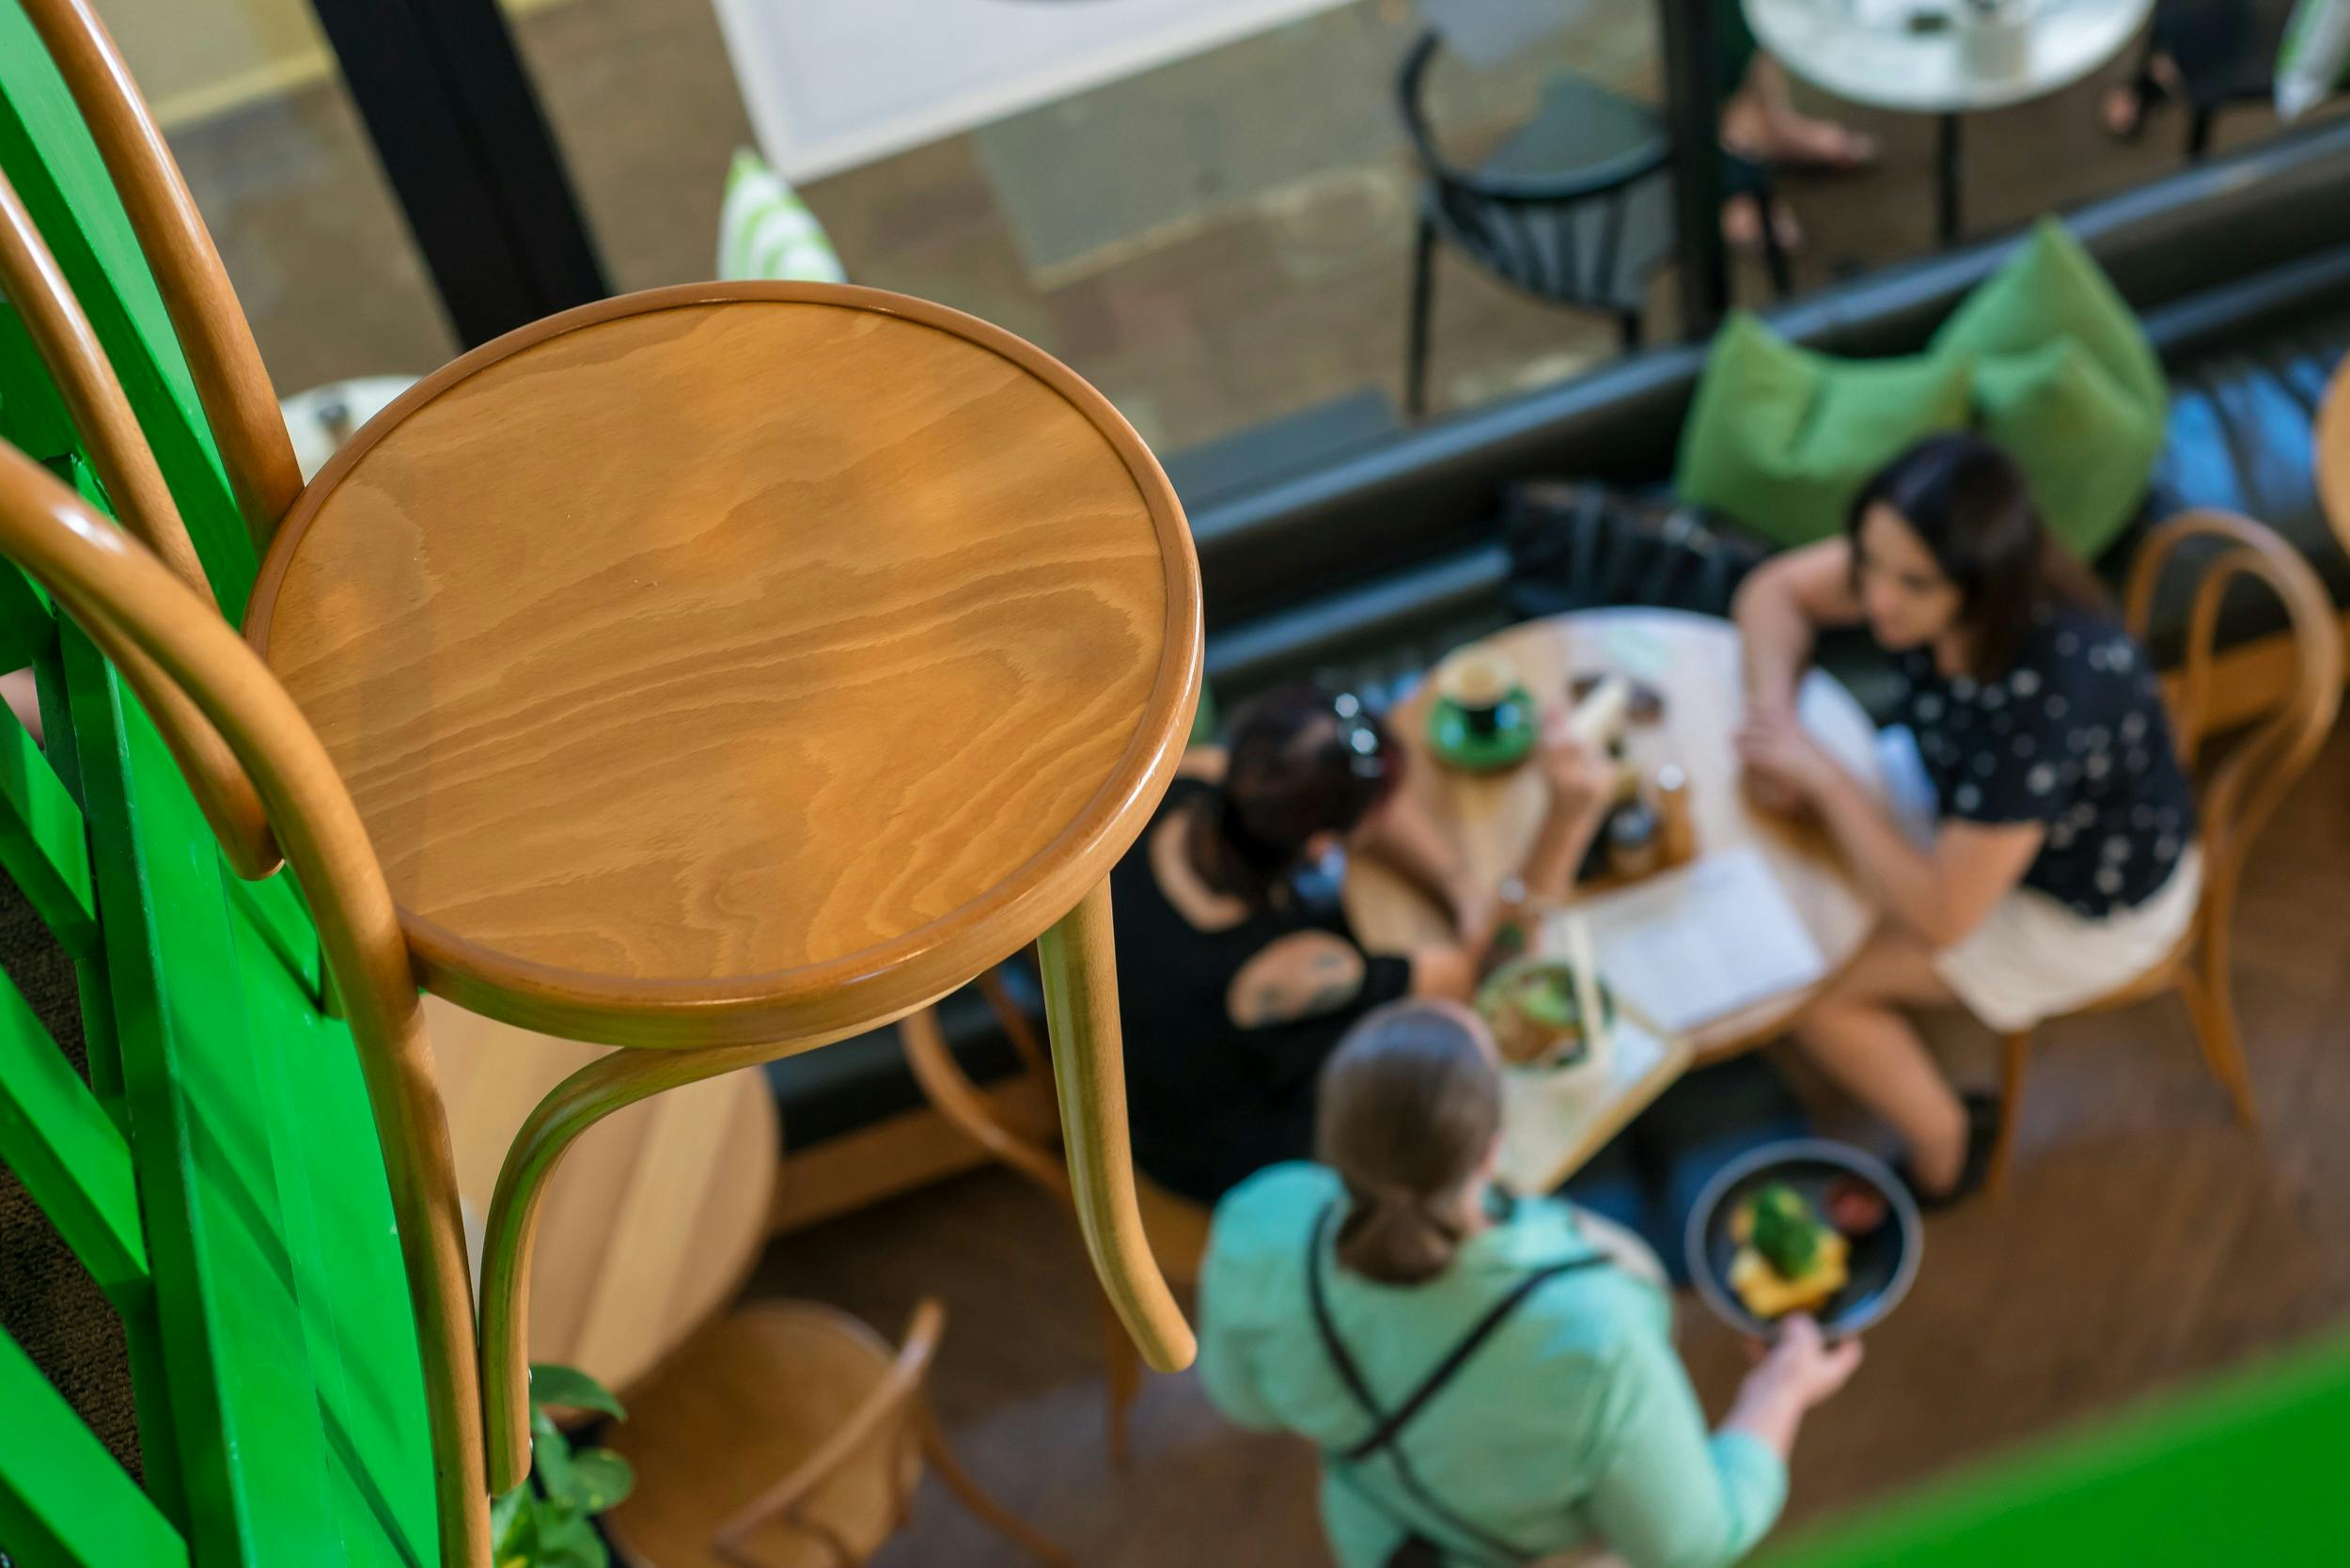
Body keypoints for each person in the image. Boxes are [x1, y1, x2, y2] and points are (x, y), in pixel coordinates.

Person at [1199, 1002, 1861, 1568]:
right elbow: (1691, 1542)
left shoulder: (1258, 1220)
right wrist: (1779, 1389)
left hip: (1380, 1536)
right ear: (1492, 1151)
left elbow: (1244, 1402)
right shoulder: (1594, 1329)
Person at [1731, 434, 2201, 1203]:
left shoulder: (2048, 693)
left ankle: (1944, 1144)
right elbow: (1773, 591)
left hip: (2077, 903)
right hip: (1963, 803)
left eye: (1910, 584)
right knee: (1792, 860)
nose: (1875, 600)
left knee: (1811, 989)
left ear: (1979, 586)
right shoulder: (1921, 568)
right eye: (1867, 563)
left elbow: (1945, 917)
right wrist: (1775, 721)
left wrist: (1822, 778)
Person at [1113, 683, 1612, 1205]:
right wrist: (1568, 819)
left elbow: (1371, 804)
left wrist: (1459, 887)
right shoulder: (1301, 969)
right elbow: (1493, 975)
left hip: (1135, 1049)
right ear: (1321, 845)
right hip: (1222, 1153)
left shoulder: (1193, 778)